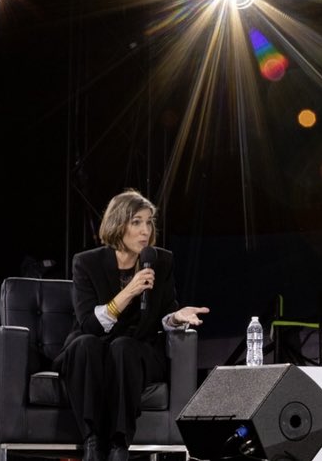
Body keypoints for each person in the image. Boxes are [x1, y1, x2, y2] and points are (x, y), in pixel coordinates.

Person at [54, 190, 210, 461]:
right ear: (118, 224)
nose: (145, 231)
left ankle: (118, 445)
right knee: (85, 344)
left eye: (149, 222)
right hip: (93, 347)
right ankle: (93, 442)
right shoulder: (86, 263)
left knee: (123, 347)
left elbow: (165, 312)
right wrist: (129, 291)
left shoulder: (161, 261)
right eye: (136, 222)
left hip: (136, 350)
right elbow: (89, 324)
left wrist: (176, 317)